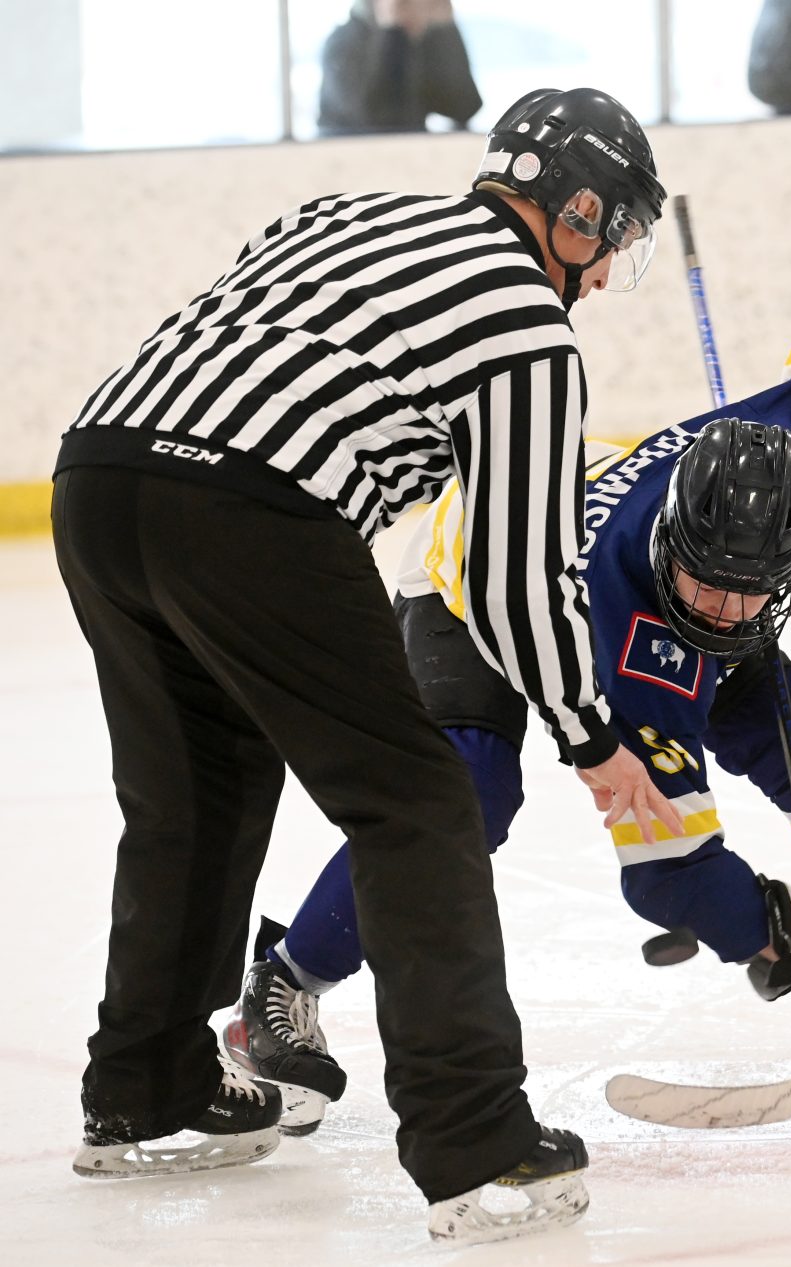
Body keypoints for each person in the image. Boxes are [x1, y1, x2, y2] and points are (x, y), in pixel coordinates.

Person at [54, 86, 677, 1245]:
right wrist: (589, 733)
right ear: (578, 210)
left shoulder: (343, 210)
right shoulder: (526, 325)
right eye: (613, 239)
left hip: (96, 474)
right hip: (255, 508)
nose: (601, 277)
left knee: (193, 793)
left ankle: (144, 1086)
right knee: (419, 805)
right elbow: (515, 577)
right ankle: (477, 1145)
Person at [221, 326, 791, 1139]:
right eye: (707, 582)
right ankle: (283, 984)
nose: (724, 611)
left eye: (752, 588)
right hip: (479, 577)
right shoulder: (627, 637)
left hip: (606, 519)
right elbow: (666, 874)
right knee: (467, 791)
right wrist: (782, 930)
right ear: (675, 538)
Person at [318, 0, 482, 137]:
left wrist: (446, 27)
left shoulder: (420, 42)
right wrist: (393, 31)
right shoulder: (343, 42)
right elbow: (379, 119)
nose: (419, 10)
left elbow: (465, 107)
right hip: (347, 155)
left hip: (408, 155)